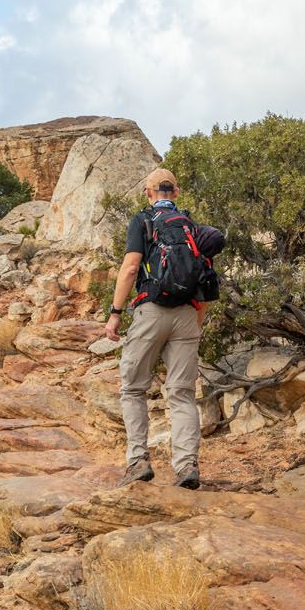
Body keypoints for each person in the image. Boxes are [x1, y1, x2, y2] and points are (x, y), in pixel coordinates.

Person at [104, 168, 206, 490]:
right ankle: (186, 467)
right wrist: (196, 319)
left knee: (133, 388)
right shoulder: (191, 226)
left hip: (150, 311)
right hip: (188, 314)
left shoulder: (142, 221)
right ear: (176, 192)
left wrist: (116, 312)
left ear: (148, 193)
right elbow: (206, 277)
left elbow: (131, 267)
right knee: (182, 394)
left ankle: (138, 462)